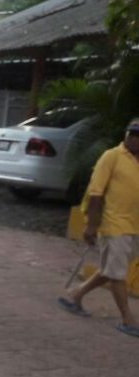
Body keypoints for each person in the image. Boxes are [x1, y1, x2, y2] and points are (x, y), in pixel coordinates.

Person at [59, 119, 139, 337]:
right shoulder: (112, 156)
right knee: (117, 274)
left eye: (138, 135)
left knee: (111, 269)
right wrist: (91, 226)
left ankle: (76, 295)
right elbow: (96, 193)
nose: (134, 138)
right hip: (114, 224)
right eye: (131, 134)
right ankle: (127, 319)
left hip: (134, 226)